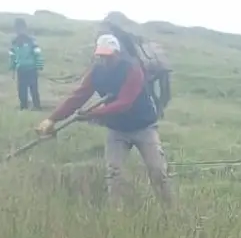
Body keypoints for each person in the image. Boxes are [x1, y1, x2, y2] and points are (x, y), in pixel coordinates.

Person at [35, 34, 173, 206]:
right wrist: (52, 119)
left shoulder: (133, 69)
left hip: (143, 127)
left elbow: (124, 102)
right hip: (117, 129)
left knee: (157, 170)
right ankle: (117, 214)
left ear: (117, 54)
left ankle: (169, 210)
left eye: (109, 56)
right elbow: (78, 97)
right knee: (114, 172)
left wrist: (94, 113)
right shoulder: (96, 72)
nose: (105, 60)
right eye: (101, 56)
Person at [9, 18, 45, 110]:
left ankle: (37, 106)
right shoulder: (14, 42)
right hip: (20, 70)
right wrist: (12, 68)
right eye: (17, 28)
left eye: (21, 28)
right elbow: (12, 56)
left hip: (32, 69)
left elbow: (37, 53)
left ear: (25, 28)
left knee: (34, 89)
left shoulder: (31, 41)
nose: (19, 30)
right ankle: (23, 106)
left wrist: (39, 66)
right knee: (22, 90)